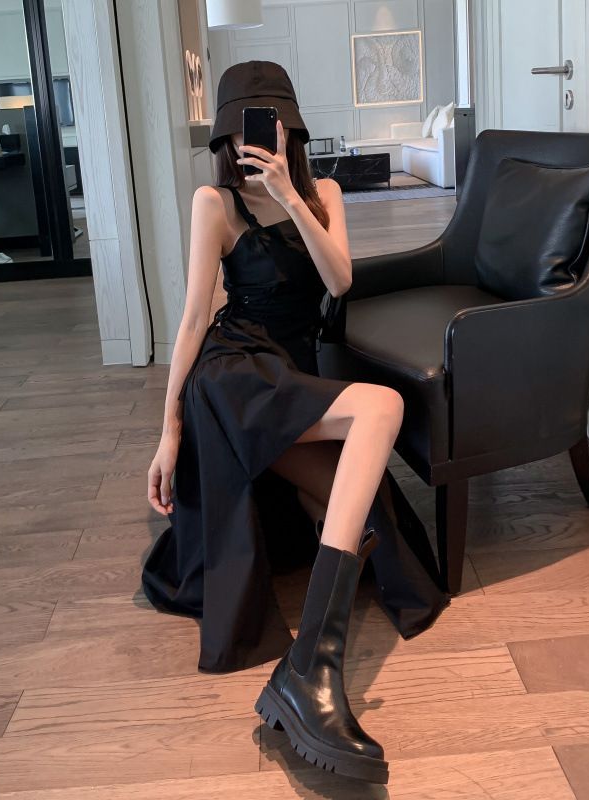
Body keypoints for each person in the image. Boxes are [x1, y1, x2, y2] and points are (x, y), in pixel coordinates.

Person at [142, 60, 451, 784]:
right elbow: (192, 320)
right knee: (382, 406)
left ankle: (306, 670)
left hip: (291, 373)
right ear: (226, 136)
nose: (254, 140)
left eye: (268, 126)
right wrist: (169, 429)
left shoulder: (324, 193)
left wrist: (287, 192)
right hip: (233, 374)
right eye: (242, 129)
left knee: (366, 517)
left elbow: (339, 280)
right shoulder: (215, 203)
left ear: (292, 131)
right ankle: (315, 666)